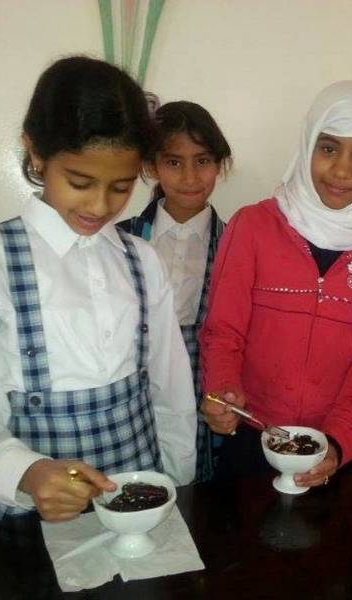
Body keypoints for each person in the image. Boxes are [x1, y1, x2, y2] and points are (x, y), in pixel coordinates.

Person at [0, 56, 197, 598]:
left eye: (120, 187)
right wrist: (28, 472)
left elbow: (171, 396)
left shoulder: (142, 262)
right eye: (80, 182)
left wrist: (177, 489)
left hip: (138, 521)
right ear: (35, 153)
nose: (99, 204)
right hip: (28, 524)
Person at [199, 81, 352, 487]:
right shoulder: (253, 226)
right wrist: (222, 394)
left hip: (333, 452)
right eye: (328, 148)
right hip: (252, 438)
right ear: (308, 144)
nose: (341, 170)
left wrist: (337, 442)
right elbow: (223, 333)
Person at [117, 100, 232, 482]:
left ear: (219, 164)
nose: (190, 176)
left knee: (196, 496)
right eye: (173, 162)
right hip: (133, 396)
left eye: (203, 161)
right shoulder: (121, 241)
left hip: (207, 398)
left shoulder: (236, 246)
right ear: (151, 166)